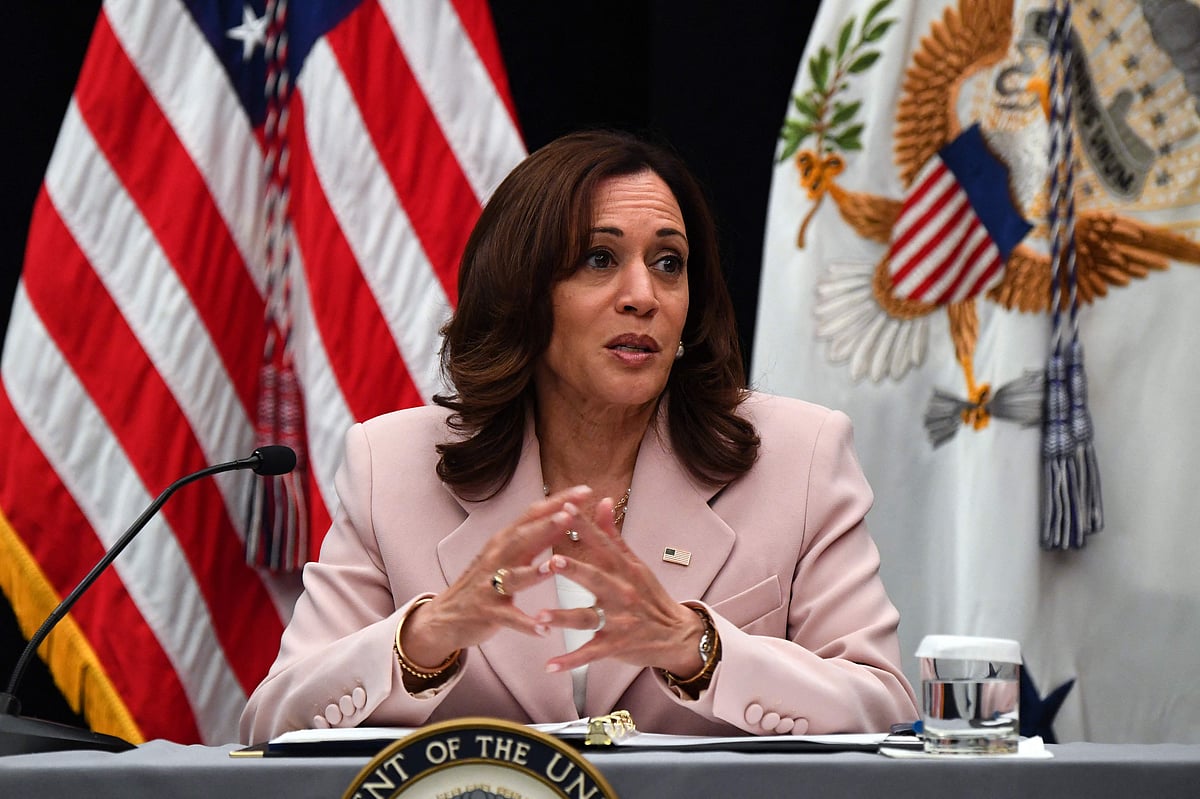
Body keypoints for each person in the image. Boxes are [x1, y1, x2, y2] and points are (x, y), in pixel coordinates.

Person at [239, 130, 919, 744]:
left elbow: (883, 705)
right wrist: (424, 639)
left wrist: (700, 649)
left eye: (669, 263)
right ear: (523, 291)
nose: (643, 295)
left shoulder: (798, 456)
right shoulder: (393, 466)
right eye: (599, 258)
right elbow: (272, 720)